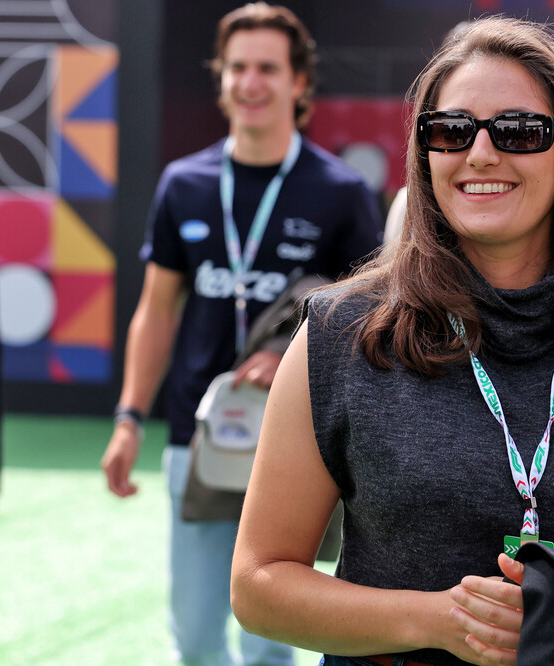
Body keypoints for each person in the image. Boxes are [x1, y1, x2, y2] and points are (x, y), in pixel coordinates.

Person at [230, 17, 554, 666]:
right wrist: (441, 620)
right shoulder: (339, 335)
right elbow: (259, 581)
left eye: (518, 132)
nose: (481, 154)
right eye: (452, 131)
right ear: (425, 154)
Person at [98, 3, 382, 665]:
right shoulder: (184, 184)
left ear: (299, 83)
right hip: (196, 434)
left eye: (268, 68)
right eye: (238, 68)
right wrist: (127, 416)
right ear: (221, 79)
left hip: (296, 446)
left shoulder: (340, 191)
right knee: (195, 638)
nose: (251, 82)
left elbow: (368, 318)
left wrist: (285, 353)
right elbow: (158, 308)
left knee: (270, 644)